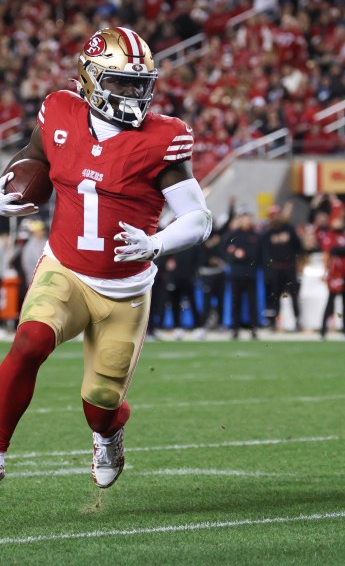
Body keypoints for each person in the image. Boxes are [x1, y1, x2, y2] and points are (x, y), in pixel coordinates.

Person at [0, 27, 213, 488]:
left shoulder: (164, 139)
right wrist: (11, 186)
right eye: (122, 83)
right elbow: (34, 155)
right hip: (66, 269)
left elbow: (199, 218)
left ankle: (109, 433)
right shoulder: (59, 110)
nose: (135, 95)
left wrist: (156, 243)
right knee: (28, 343)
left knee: (99, 406)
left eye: (141, 84)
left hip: (125, 290)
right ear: (91, 79)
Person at [319, 201, 345, 340]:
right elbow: (329, 251)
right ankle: (323, 330)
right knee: (331, 302)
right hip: (335, 274)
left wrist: (340, 250)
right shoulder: (329, 235)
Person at [260, 203, 304, 332]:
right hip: (275, 269)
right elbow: (265, 254)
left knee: (294, 296)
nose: (275, 218)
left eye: (276, 215)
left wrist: (299, 263)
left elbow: (298, 247)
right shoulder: (268, 233)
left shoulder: (289, 229)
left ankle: (297, 321)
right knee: (275, 297)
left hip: (289, 267)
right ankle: (274, 323)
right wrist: (268, 269)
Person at [221, 206, 261, 340]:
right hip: (236, 274)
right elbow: (225, 253)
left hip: (250, 274)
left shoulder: (255, 236)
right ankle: (235, 329)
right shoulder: (233, 235)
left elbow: (256, 255)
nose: (246, 220)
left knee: (252, 303)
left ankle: (254, 329)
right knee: (235, 302)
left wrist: (242, 255)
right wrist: (235, 255)